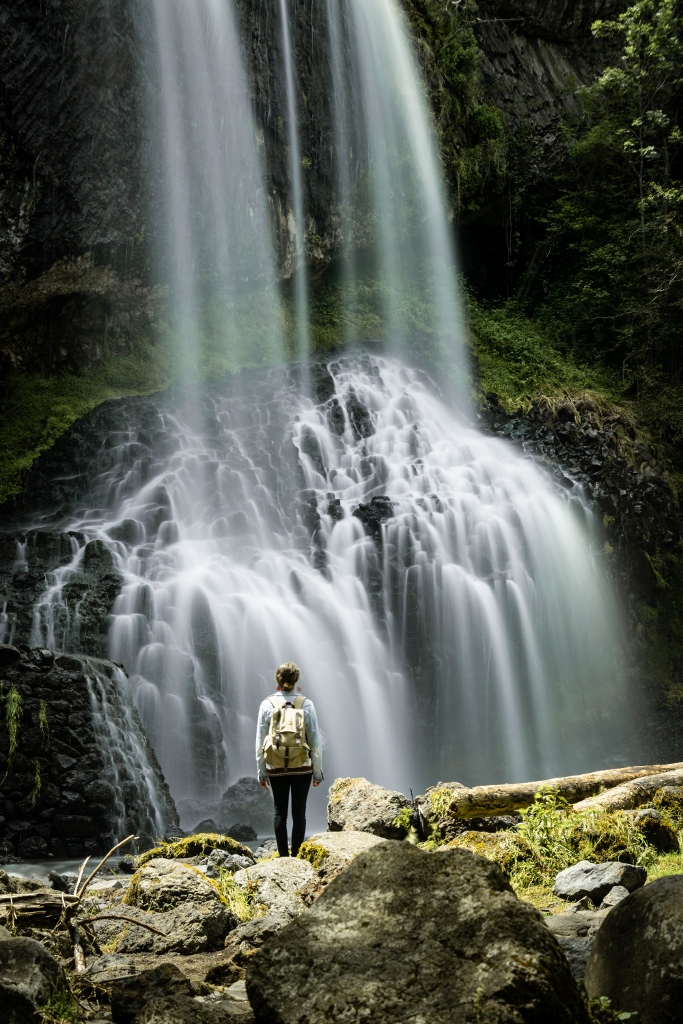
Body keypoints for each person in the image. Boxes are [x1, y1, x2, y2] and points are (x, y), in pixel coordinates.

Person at [256, 662, 323, 857]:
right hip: (302, 766)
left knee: (279, 813)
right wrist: (317, 771)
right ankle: (297, 856)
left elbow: (260, 740)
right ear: (296, 680)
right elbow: (315, 741)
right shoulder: (306, 704)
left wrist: (261, 771)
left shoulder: (267, 704)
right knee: (299, 814)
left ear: (277, 679)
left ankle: (283, 857)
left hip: (275, 765)